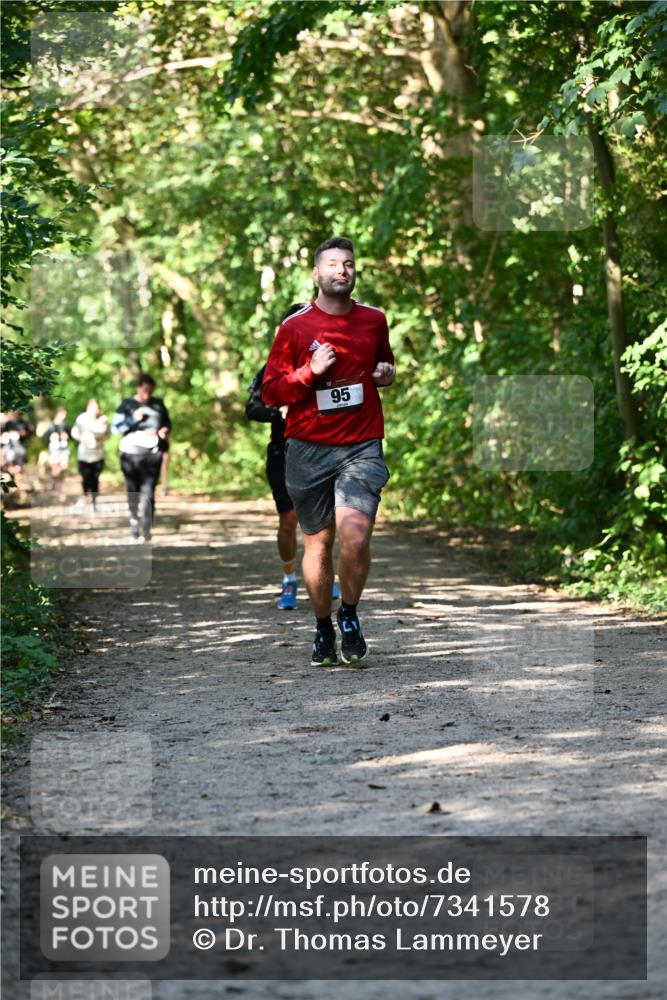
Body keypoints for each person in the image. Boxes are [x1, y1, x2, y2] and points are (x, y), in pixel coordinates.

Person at [262, 237, 396, 666]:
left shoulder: (374, 320)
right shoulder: (294, 327)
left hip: (361, 445)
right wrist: (310, 371)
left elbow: (384, 365)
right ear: (317, 274)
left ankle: (349, 616)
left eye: (349, 264)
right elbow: (270, 392)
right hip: (308, 449)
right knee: (318, 545)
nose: (343, 270)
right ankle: (323, 627)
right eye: (334, 264)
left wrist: (385, 374)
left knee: (355, 537)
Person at [246, 304, 342, 611]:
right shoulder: (272, 367)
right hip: (283, 451)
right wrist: (279, 413)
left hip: (322, 451)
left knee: (324, 520)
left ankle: (324, 573)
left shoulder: (328, 361)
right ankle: (288, 578)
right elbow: (252, 408)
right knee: (288, 521)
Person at [112, 373, 171, 542]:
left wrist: (163, 431)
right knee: (133, 490)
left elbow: (167, 423)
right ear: (138, 388)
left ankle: (147, 527)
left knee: (149, 491)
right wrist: (133, 419)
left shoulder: (158, 404)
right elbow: (115, 429)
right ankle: (134, 521)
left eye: (150, 391)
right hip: (130, 455)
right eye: (145, 390)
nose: (147, 395)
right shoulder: (127, 404)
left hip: (152, 453)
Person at [70, 398, 109, 511]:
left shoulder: (103, 420)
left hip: (98, 455)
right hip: (84, 455)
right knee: (86, 478)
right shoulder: (81, 419)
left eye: (96, 408)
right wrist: (82, 439)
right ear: (87, 408)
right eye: (91, 408)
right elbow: (74, 432)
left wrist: (101, 438)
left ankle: (94, 502)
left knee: (95, 479)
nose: (94, 410)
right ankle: (85, 496)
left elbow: (107, 434)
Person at [43, 407, 71, 486]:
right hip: (54, 449)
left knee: (64, 467)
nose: (64, 416)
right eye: (62, 414)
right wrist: (52, 437)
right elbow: (45, 438)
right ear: (57, 414)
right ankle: (55, 483)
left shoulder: (66, 424)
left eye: (64, 415)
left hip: (64, 448)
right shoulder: (51, 425)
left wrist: (67, 436)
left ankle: (60, 484)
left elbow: (71, 435)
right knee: (55, 468)